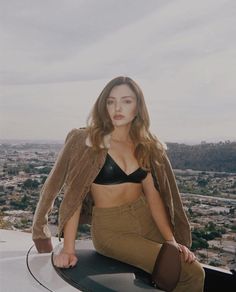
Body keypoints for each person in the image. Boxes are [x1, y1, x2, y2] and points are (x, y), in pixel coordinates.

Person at [32, 76, 205, 291]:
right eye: (110, 101)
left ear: (138, 107)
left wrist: (170, 241)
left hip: (147, 218)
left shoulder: (146, 145)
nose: (117, 108)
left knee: (191, 269)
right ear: (103, 105)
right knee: (191, 272)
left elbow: (153, 196)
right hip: (112, 230)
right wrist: (68, 249)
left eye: (126, 101)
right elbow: (72, 195)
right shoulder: (86, 140)